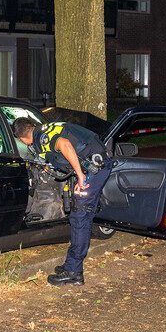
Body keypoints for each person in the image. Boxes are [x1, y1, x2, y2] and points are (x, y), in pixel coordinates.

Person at [12, 117, 113, 286]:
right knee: (81, 216)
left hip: (95, 168)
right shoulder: (46, 128)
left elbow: (65, 144)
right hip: (96, 163)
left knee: (79, 217)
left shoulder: (42, 138)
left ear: (21, 138)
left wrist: (80, 176)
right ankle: (72, 264)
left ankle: (73, 272)